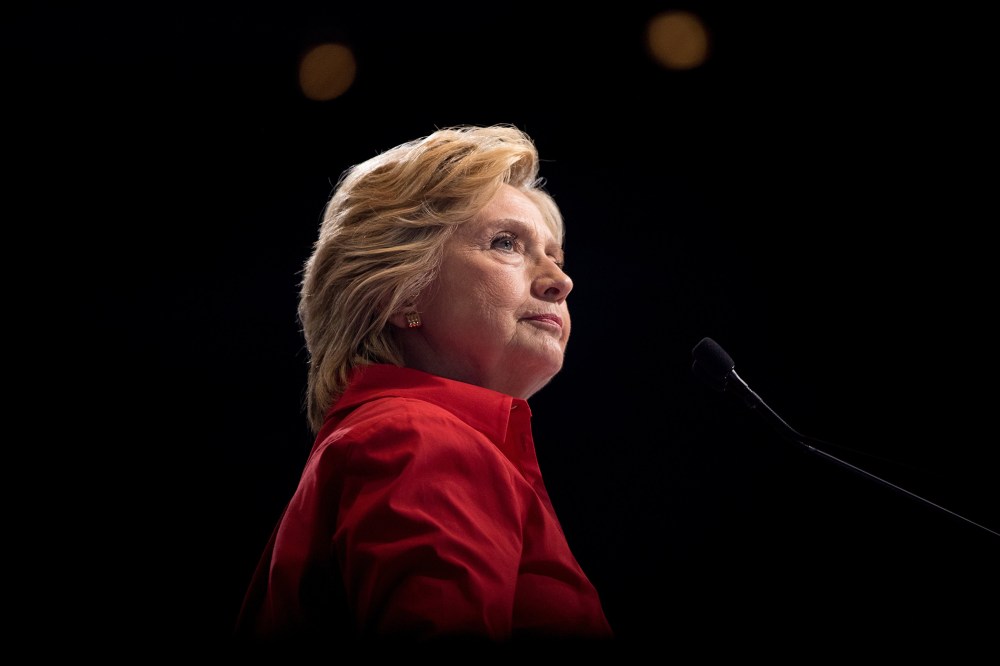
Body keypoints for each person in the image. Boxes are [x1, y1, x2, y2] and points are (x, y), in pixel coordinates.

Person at [234, 124, 613, 645]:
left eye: (556, 256)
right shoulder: (417, 437)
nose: (560, 280)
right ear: (403, 294)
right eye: (507, 243)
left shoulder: (399, 436)